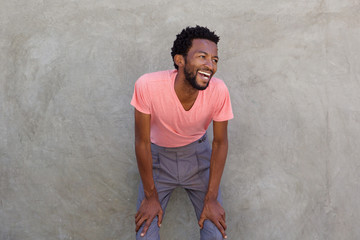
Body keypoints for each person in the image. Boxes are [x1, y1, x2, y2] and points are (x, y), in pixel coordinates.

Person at [131, 25, 233, 240]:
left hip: (199, 158)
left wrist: (212, 198)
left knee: (215, 233)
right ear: (180, 60)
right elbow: (141, 142)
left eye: (214, 59)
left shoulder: (219, 90)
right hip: (157, 160)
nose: (210, 65)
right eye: (202, 56)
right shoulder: (148, 86)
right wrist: (150, 196)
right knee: (145, 234)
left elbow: (220, 143)